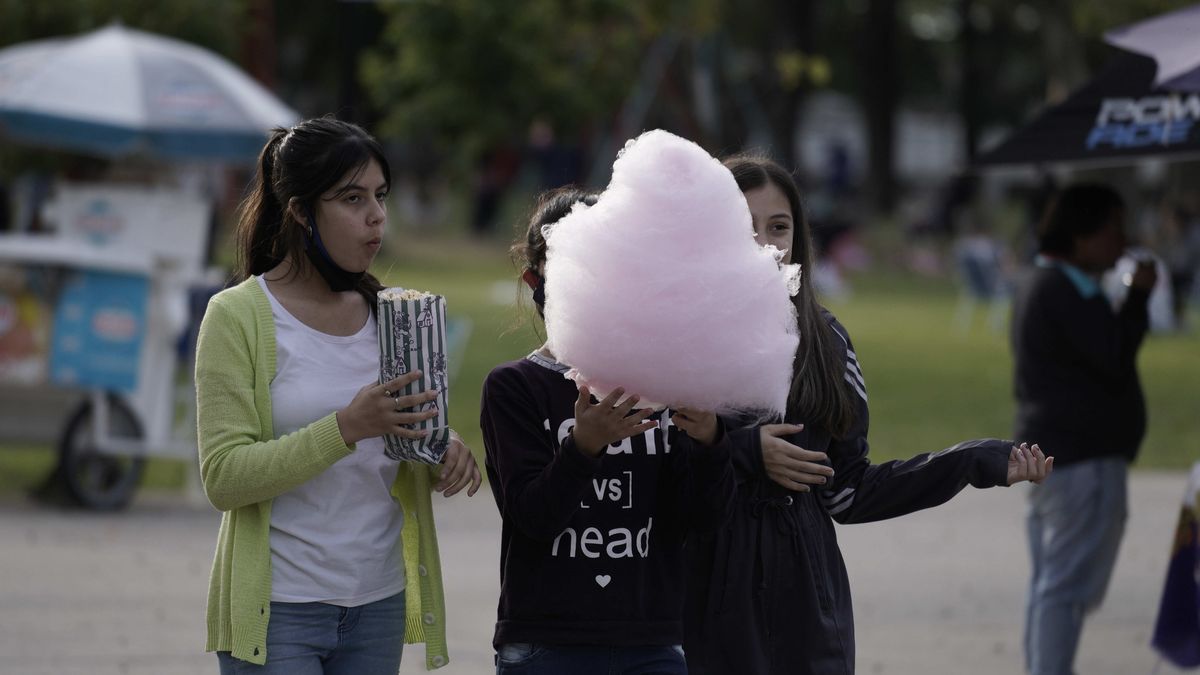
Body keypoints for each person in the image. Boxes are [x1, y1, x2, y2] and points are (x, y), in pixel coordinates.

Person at [682, 153, 1053, 675]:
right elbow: (657, 477)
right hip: (710, 600)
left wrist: (973, 461)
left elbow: (849, 492)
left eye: (779, 226)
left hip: (807, 603)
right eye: (744, 227)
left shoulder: (827, 341)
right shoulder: (678, 340)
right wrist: (742, 449)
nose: (765, 242)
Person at [194, 116, 482, 674]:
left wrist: (439, 446)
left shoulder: (395, 315)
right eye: (352, 198)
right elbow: (224, 478)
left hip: (377, 603)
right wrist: (345, 427)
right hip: (279, 612)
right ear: (300, 211)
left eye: (380, 196)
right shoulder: (237, 317)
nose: (376, 216)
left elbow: (398, 437)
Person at [480, 187, 736, 674]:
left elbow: (701, 520)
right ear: (536, 280)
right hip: (547, 642)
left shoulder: (660, 383)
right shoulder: (515, 387)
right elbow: (533, 517)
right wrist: (583, 447)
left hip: (651, 641)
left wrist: (710, 442)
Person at [1012, 183, 1154, 675]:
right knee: (1064, 590)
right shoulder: (1066, 289)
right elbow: (1113, 356)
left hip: (1056, 453)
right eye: (1113, 227)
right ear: (1081, 233)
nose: (1122, 239)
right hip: (1081, 461)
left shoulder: (1043, 281)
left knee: (1050, 584)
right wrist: (1136, 301)